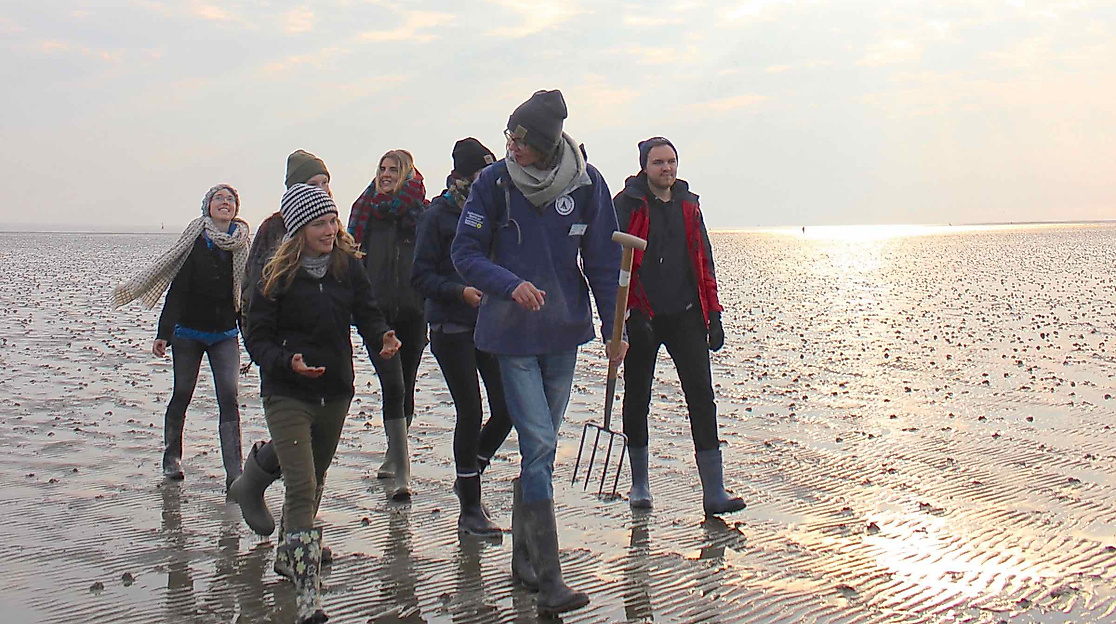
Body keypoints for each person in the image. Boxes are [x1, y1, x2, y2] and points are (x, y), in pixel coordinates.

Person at [451, 89, 626, 617]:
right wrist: (509, 284)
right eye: (509, 136)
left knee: (539, 452)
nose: (511, 146)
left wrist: (617, 329)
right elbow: (464, 253)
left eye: (520, 140)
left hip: (563, 331)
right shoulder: (492, 184)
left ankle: (524, 565)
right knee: (540, 444)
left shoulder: (587, 184)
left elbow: (600, 260)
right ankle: (549, 579)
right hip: (511, 334)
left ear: (548, 145)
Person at [246, 183, 400, 624]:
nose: (331, 230)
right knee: (300, 484)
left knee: (315, 481)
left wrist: (382, 337)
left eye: (333, 221)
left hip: (335, 390)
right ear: (299, 230)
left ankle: (288, 554)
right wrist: (285, 361)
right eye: (320, 223)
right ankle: (308, 594)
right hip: (286, 392)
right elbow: (256, 337)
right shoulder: (276, 275)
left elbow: (368, 314)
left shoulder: (347, 267)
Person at [613, 137, 745, 515]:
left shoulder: (690, 205)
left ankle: (714, 491)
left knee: (702, 397)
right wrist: (623, 319)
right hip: (643, 314)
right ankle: (640, 484)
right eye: (658, 163)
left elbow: (704, 260)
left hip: (686, 311)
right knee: (638, 397)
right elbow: (613, 265)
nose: (667, 169)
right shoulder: (627, 204)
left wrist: (714, 314)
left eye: (672, 162)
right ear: (645, 166)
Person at [230, 150, 335, 553]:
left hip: (324, 357)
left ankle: (299, 534)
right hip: (281, 356)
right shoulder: (274, 229)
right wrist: (264, 352)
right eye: (314, 184)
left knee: (316, 453)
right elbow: (253, 293)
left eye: (326, 182)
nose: (323, 190)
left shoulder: (329, 229)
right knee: (296, 445)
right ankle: (256, 486)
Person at [112, 184, 250, 488]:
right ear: (208, 207)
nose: (225, 203)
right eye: (219, 199)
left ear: (235, 209)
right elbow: (177, 290)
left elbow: (246, 295)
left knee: (229, 396)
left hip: (225, 334)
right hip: (188, 333)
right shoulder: (195, 241)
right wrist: (164, 333)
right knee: (182, 393)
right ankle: (172, 459)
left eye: (230, 200)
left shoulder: (242, 246)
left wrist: (253, 338)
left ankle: (234, 471)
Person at [411, 137, 512, 536]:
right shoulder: (437, 215)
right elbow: (419, 276)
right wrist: (459, 291)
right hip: (449, 327)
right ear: (463, 173)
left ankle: (469, 473)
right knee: (469, 410)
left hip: (488, 326)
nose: (487, 178)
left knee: (506, 409)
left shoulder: (493, 210)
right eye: (480, 172)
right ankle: (470, 510)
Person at [348, 149, 429, 500]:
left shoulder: (420, 215)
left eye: (393, 169)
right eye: (381, 168)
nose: (385, 174)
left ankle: (393, 453)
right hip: (376, 316)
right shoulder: (365, 212)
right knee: (392, 385)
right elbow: (350, 260)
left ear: (406, 174)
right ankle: (403, 472)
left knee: (406, 385)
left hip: (413, 313)